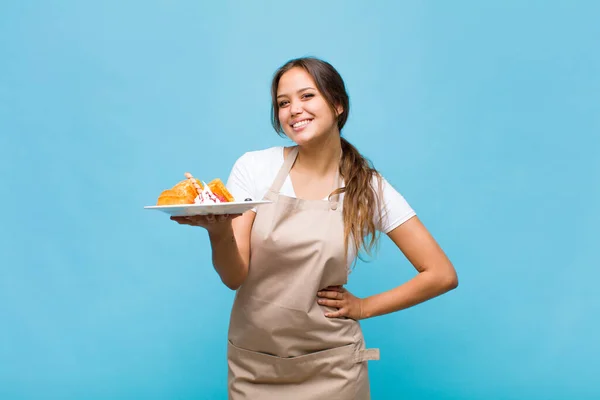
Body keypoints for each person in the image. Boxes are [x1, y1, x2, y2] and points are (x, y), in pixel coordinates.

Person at [171, 57, 458, 399]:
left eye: (307, 96)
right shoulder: (255, 168)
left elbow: (441, 273)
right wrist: (217, 232)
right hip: (255, 368)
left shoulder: (368, 187)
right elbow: (235, 276)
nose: (294, 109)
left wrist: (364, 307)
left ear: (337, 104)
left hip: (334, 370)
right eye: (283, 102)